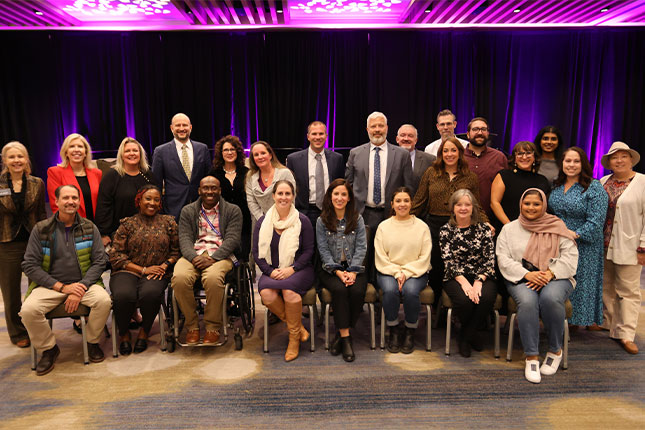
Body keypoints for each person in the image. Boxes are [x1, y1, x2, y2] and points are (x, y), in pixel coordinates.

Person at [20, 184, 111, 376]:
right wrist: (62, 288)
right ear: (56, 201)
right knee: (28, 310)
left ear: (79, 201)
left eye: (74, 198)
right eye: (66, 198)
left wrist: (80, 287)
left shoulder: (89, 227)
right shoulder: (41, 229)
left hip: (84, 283)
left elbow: (100, 261)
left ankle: (92, 342)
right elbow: (29, 265)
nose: (71, 202)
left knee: (104, 301)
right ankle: (49, 348)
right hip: (51, 286)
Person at [496, 189, 578, 384]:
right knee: (527, 300)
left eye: (536, 204)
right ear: (520, 205)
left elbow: (570, 256)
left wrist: (549, 273)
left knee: (550, 298)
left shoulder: (558, 226)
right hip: (522, 277)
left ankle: (555, 350)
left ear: (544, 206)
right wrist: (528, 274)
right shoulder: (509, 229)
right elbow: (503, 258)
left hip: (556, 276)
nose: (531, 208)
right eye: (527, 203)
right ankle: (531, 356)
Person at [411, 137, 486, 301]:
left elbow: (476, 204)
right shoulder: (431, 173)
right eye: (445, 151)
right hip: (435, 226)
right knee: (437, 267)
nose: (449, 154)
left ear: (460, 153)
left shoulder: (470, 176)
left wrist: (485, 222)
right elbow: (419, 200)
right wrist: (399, 218)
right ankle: (438, 307)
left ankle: (456, 303)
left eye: (453, 150)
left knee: (457, 268)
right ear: (440, 153)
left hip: (461, 227)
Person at [108, 185, 180, 355]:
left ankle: (144, 331)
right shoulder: (127, 224)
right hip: (127, 270)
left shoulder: (169, 222)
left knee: (151, 294)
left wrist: (166, 265)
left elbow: (176, 251)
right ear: (139, 201)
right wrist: (143, 270)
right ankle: (124, 333)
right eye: (148, 199)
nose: (152, 203)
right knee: (123, 295)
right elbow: (116, 256)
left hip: (157, 271)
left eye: (156, 199)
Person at [172, 176, 242, 345]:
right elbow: (184, 238)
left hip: (221, 255)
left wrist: (213, 258)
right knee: (179, 278)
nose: (209, 192)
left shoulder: (233, 210)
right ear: (199, 190)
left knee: (212, 279)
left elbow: (232, 239)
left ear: (219, 190)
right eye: (206, 188)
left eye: (213, 188)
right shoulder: (188, 211)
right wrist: (194, 257)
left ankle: (212, 327)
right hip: (194, 254)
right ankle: (192, 326)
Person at [345, 111, 414, 281]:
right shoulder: (355, 153)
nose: (377, 129)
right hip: (363, 213)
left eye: (380, 125)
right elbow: (349, 184)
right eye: (373, 126)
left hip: (391, 214)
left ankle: (384, 294)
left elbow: (408, 187)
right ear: (367, 129)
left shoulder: (402, 154)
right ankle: (365, 291)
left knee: (388, 255)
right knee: (363, 255)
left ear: (387, 128)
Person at [252, 180, 315, 361]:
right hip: (272, 270)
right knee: (268, 295)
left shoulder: (302, 221)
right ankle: (297, 328)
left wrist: (292, 269)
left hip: (299, 270)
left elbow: (309, 251)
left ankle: (293, 339)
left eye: (288, 194)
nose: (283, 197)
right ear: (273, 196)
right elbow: (257, 253)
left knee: (289, 293)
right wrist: (270, 271)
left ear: (293, 197)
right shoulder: (263, 222)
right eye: (280, 193)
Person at [548, 147, 608, 329]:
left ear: (583, 164)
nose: (571, 165)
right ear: (562, 163)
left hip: (584, 243)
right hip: (558, 241)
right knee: (561, 279)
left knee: (581, 283)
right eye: (568, 161)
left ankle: (577, 322)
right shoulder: (556, 185)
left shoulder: (594, 187)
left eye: (576, 161)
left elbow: (597, 221)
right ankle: (562, 319)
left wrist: (574, 234)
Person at [599, 141, 645, 355]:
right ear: (609, 162)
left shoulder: (642, 182)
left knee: (628, 291)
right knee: (606, 286)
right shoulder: (603, 181)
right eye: (614, 158)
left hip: (630, 245)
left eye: (623, 156)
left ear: (631, 159)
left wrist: (643, 246)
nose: (619, 160)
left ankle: (626, 333)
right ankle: (608, 323)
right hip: (604, 244)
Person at [439, 189, 497, 357]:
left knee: (485, 298)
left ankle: (465, 336)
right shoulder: (445, 230)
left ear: (473, 208)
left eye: (467, 204)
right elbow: (448, 261)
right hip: (455, 276)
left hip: (483, 274)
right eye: (459, 204)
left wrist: (478, 281)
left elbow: (489, 259)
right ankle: (472, 334)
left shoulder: (483, 229)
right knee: (465, 302)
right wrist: (464, 282)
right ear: (453, 208)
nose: (463, 208)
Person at [0, 142, 46, 348]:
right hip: (7, 243)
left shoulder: (37, 183)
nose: (16, 160)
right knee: (10, 291)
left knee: (38, 287)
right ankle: (17, 332)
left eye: (20, 156)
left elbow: (42, 215)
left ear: (26, 159)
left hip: (34, 242)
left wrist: (46, 240)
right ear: (5, 161)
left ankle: (36, 325)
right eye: (12, 157)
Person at [316, 179, 367, 362]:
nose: (339, 197)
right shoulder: (321, 221)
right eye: (336, 194)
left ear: (349, 198)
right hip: (330, 269)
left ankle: (340, 333)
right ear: (330, 196)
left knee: (357, 290)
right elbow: (323, 251)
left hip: (354, 267)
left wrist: (352, 271)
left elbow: (361, 248)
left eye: (343, 194)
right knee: (338, 290)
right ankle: (346, 339)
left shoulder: (357, 218)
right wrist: (338, 272)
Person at [376, 187, 431, 354]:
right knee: (390, 290)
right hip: (388, 270)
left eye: (406, 201)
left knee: (411, 290)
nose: (402, 204)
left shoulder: (422, 227)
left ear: (411, 203)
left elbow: (424, 257)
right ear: (392, 205)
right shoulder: (383, 227)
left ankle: (409, 330)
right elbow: (380, 256)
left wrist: (406, 273)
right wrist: (396, 272)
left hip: (416, 272)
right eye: (398, 201)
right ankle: (393, 328)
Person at [95, 137, 156, 248]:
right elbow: (103, 206)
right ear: (121, 155)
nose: (131, 154)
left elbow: (156, 203)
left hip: (149, 229)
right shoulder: (112, 176)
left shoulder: (149, 175)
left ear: (140, 154)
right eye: (127, 151)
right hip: (121, 232)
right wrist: (103, 234)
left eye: (135, 151)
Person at [286, 121, 345, 229]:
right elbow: (289, 188)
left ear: (326, 136)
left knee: (329, 246)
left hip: (331, 211)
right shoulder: (293, 160)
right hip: (304, 213)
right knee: (307, 246)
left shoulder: (337, 159)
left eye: (321, 134)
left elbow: (341, 186)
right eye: (314, 134)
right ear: (308, 136)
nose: (318, 137)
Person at [152, 113, 211, 220]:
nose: (181, 128)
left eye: (184, 125)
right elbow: (157, 185)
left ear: (190, 127)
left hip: (201, 209)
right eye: (178, 125)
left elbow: (209, 179)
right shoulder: (160, 151)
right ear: (171, 128)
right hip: (172, 210)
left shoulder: (202, 149)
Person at [490, 141, 550, 232]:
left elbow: (545, 209)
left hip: (533, 231)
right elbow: (494, 203)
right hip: (506, 228)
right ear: (514, 158)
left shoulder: (542, 180)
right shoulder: (503, 175)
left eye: (529, 153)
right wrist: (510, 226)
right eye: (520, 154)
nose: (524, 157)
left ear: (535, 157)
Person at [208, 135, 252, 258]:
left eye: (232, 149)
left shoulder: (246, 172)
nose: (229, 152)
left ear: (237, 152)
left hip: (245, 221)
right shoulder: (213, 173)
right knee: (226, 254)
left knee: (243, 255)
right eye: (226, 150)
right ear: (220, 153)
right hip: (221, 220)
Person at [47, 133, 102, 221]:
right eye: (72, 146)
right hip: (71, 226)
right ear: (66, 152)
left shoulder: (97, 173)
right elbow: (56, 205)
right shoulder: (55, 172)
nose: (76, 150)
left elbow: (102, 203)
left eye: (80, 146)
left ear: (85, 152)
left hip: (96, 226)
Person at [463, 117, 508, 219]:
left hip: (493, 218)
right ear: (468, 134)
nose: (480, 132)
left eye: (483, 129)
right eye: (475, 129)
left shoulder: (499, 157)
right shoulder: (458, 157)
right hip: (462, 217)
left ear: (488, 133)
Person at [246, 140, 296, 224]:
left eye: (263, 153)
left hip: (284, 221)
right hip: (260, 223)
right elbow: (251, 203)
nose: (260, 157)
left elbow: (291, 199)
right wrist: (264, 221)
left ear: (270, 155)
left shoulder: (284, 173)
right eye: (256, 155)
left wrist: (279, 221)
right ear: (253, 159)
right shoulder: (250, 177)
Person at [395, 124, 435, 194]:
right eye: (403, 135)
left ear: (416, 140)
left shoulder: (430, 160)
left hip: (421, 203)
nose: (406, 138)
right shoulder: (389, 157)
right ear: (397, 139)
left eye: (410, 136)